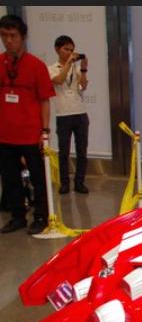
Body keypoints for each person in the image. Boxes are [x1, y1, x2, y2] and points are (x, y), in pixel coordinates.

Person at [0, 14, 55, 235]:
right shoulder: (0, 63)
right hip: (5, 134)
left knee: (38, 178)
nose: (8, 40)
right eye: (4, 35)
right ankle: (17, 216)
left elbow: (45, 101)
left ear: (23, 37)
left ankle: (41, 216)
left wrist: (45, 131)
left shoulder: (36, 66)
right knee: (10, 179)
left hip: (31, 134)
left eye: (13, 35)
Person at [48, 35, 89, 194]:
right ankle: (64, 183)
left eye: (72, 50)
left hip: (80, 113)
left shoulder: (75, 68)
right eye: (66, 49)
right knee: (63, 152)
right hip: (63, 115)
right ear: (57, 49)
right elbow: (59, 80)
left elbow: (83, 86)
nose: (70, 53)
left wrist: (83, 70)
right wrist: (69, 63)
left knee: (82, 151)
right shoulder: (51, 68)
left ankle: (79, 182)